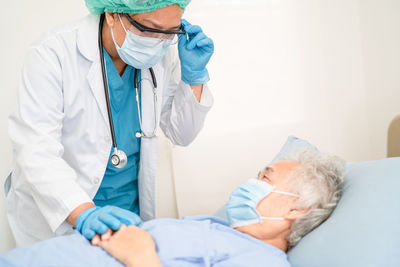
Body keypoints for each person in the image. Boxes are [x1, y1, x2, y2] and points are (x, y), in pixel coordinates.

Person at [6, 0, 214, 246]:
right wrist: (83, 212)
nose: (158, 41)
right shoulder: (52, 54)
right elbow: (36, 151)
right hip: (64, 215)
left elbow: (182, 134)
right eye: (148, 29)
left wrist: (194, 77)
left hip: (127, 217)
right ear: (113, 13)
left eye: (170, 32)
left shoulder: (163, 54)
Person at [0, 150, 345, 267]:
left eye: (265, 178)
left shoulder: (263, 260)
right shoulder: (216, 227)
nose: (251, 182)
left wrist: (140, 256)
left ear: (297, 209)